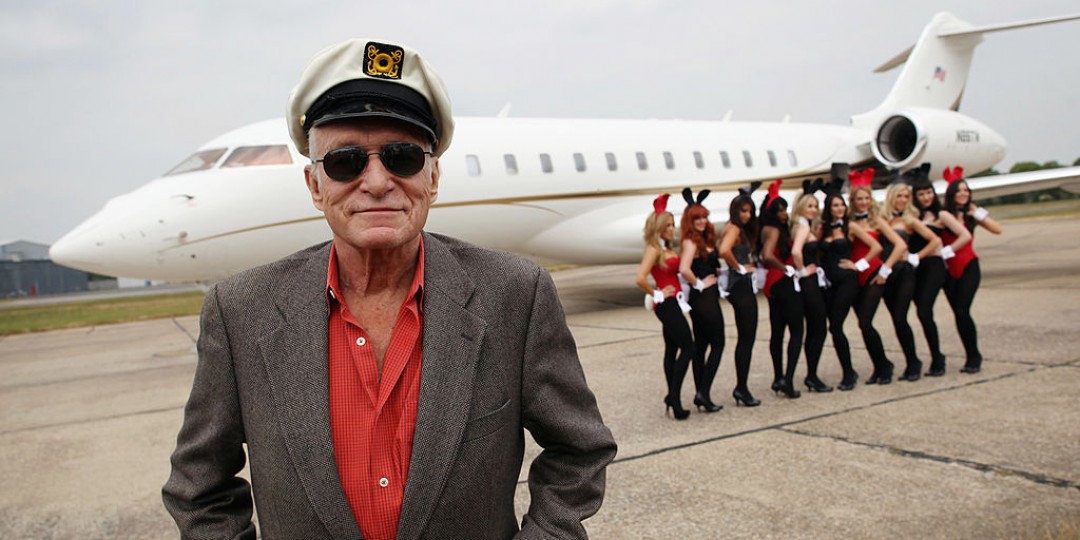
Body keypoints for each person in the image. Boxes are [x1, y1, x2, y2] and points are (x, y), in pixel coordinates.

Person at [162, 38, 616, 540]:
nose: (377, 182)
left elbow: (580, 451)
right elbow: (198, 489)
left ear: (433, 176)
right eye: (345, 161)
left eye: (402, 157)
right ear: (315, 186)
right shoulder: (240, 312)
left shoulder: (514, 295)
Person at [636, 194, 694, 420]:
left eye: (672, 224)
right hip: (666, 304)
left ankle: (672, 397)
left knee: (672, 349)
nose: (672, 229)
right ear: (658, 228)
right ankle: (674, 397)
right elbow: (640, 278)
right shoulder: (654, 249)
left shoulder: (665, 247)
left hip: (673, 302)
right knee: (688, 347)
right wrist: (658, 294)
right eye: (667, 225)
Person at [820, 178, 879, 391]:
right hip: (829, 284)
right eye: (835, 205)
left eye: (842, 205)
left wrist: (858, 265)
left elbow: (876, 247)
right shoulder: (822, 229)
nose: (840, 208)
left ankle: (849, 373)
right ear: (828, 208)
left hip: (847, 281)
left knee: (836, 326)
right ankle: (852, 370)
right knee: (834, 328)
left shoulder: (850, 226)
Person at [911, 170, 971, 376]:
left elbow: (965, 235)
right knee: (924, 314)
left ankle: (938, 358)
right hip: (916, 268)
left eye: (929, 193)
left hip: (934, 267)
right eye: (921, 194)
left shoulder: (942, 215)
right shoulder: (913, 216)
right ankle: (936, 356)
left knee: (924, 310)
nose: (926, 197)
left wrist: (946, 251)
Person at [942, 166, 1002, 373]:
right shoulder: (943, 215)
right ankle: (971, 354)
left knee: (962, 310)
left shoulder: (972, 215)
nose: (963, 194)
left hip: (969, 265)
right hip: (948, 270)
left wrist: (978, 212)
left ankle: (974, 356)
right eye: (959, 191)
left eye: (966, 190)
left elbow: (997, 229)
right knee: (959, 314)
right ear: (951, 194)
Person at [848, 168, 905, 385]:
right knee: (863, 325)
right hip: (855, 277)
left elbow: (900, 245)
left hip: (873, 274)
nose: (863, 202)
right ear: (853, 201)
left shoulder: (877, 221)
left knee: (865, 322)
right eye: (859, 199)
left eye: (866, 198)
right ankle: (880, 366)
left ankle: (884, 366)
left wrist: (885, 270)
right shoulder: (848, 221)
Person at [881, 180, 942, 381]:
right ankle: (911, 361)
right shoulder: (881, 218)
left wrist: (916, 257)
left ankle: (916, 362)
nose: (903, 200)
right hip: (886, 273)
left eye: (906, 196)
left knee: (901, 317)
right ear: (891, 197)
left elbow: (935, 240)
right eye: (899, 195)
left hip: (904, 272)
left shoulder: (910, 220)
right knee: (896, 320)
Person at [678, 188, 724, 413]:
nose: (702, 221)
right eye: (697, 218)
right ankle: (703, 392)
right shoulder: (691, 242)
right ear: (690, 221)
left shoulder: (703, 239)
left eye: (705, 217)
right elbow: (684, 269)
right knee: (718, 344)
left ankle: (701, 393)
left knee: (702, 345)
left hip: (705, 299)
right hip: (704, 299)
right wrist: (699, 283)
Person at [719, 182, 763, 407]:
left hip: (741, 286)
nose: (747, 215)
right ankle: (741, 388)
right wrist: (740, 267)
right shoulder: (734, 229)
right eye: (743, 211)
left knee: (747, 338)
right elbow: (724, 250)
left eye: (750, 211)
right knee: (747, 338)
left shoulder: (734, 228)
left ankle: (742, 386)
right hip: (740, 287)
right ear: (735, 210)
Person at [759, 180, 803, 399]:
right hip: (782, 281)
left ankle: (778, 377)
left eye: (785, 209)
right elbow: (767, 255)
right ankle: (788, 379)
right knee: (796, 330)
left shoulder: (764, 228)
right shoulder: (775, 230)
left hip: (771, 283)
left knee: (777, 331)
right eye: (780, 210)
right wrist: (785, 268)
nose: (785, 214)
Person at [790, 180, 832, 393]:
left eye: (816, 206)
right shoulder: (803, 227)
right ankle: (812, 375)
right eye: (810, 206)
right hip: (809, 282)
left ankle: (812, 374)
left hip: (811, 282)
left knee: (816, 329)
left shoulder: (801, 225)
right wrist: (802, 271)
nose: (814, 210)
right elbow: (796, 252)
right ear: (800, 207)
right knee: (818, 328)